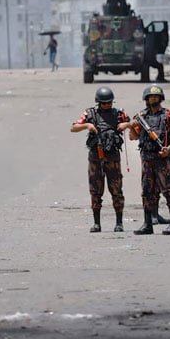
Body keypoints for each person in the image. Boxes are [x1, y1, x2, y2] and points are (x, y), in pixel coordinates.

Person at [71, 87, 131, 232]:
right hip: (95, 158)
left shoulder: (118, 113)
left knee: (116, 189)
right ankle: (97, 223)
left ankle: (119, 223)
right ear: (98, 103)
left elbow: (135, 124)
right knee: (95, 190)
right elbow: (74, 127)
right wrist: (87, 125)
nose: (107, 105)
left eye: (109, 103)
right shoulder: (90, 113)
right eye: (104, 103)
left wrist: (127, 124)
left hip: (113, 158)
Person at [128, 85, 170, 235]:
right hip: (146, 159)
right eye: (150, 97)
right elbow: (133, 137)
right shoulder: (141, 116)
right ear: (146, 99)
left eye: (156, 97)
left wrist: (169, 148)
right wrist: (131, 127)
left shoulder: (168, 115)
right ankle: (147, 224)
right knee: (147, 192)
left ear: (160, 98)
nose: (153, 99)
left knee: (168, 191)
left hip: (162, 158)